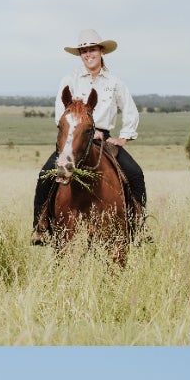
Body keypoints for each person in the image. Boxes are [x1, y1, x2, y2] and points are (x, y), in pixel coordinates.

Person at [32, 27, 146, 240]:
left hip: (105, 140)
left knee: (135, 174)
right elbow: (61, 113)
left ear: (101, 51)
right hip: (74, 138)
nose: (88, 54)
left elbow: (130, 110)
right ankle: (40, 226)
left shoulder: (114, 83)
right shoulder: (70, 80)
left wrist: (123, 137)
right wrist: (78, 131)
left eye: (92, 49)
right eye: (83, 51)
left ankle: (139, 225)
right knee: (45, 174)